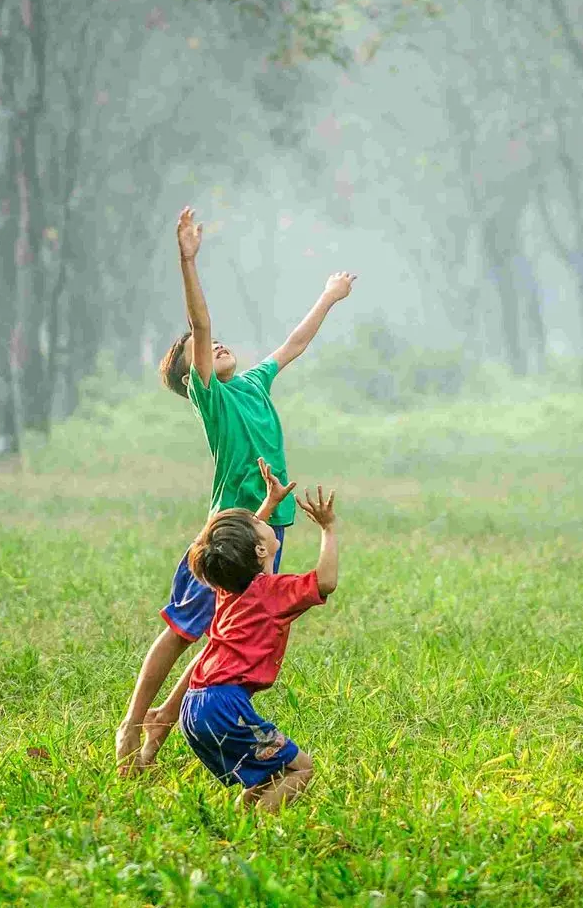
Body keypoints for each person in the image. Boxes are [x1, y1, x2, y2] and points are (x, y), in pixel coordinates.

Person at [114, 205, 356, 774]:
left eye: (220, 342)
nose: (215, 343)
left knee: (225, 638)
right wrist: (188, 260)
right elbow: (199, 325)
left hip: (268, 530)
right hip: (228, 532)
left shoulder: (252, 382)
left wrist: (329, 296)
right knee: (181, 630)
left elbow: (293, 343)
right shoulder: (212, 398)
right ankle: (133, 723)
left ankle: (156, 739)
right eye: (199, 350)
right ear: (188, 375)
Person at [175, 468, 338, 811]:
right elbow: (325, 581)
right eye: (259, 523)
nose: (261, 520)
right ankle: (259, 830)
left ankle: (241, 820)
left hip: (194, 705)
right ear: (261, 549)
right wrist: (328, 528)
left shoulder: (229, 584)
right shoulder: (272, 593)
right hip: (224, 708)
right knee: (301, 768)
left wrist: (269, 503)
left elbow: (241, 548)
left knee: (269, 775)